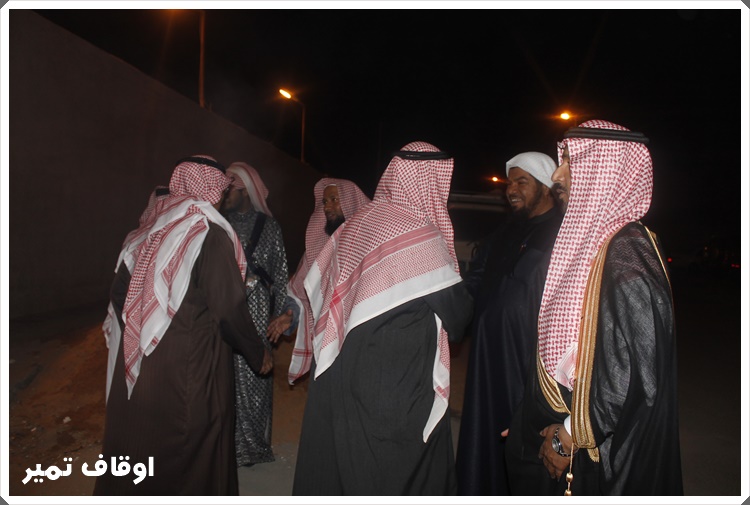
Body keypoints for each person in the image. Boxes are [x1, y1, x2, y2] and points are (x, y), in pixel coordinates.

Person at [505, 120, 683, 495]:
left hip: (590, 451)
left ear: (608, 170)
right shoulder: (595, 240)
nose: (558, 175)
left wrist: (567, 437)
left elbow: (632, 374)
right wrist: (527, 419)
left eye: (570, 162)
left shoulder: (628, 251)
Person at [292, 141, 474, 495]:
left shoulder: (357, 223)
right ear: (429, 182)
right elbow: (458, 316)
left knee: (346, 463)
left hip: (343, 366)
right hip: (391, 381)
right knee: (390, 470)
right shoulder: (420, 237)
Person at [96, 156, 272, 495]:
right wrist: (257, 352)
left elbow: (118, 294)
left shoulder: (148, 229)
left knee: (138, 444)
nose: (222, 197)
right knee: (190, 452)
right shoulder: (209, 234)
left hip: (142, 359)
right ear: (211, 190)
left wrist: (147, 324)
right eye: (221, 190)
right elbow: (228, 309)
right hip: (190, 368)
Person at [455, 152, 562, 495]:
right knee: (487, 433)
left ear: (545, 187)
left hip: (528, 362)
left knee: (524, 445)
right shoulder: (505, 231)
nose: (511, 190)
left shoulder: (561, 233)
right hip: (489, 358)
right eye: (509, 183)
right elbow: (477, 280)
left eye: (521, 182)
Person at [266, 178, 370, 385]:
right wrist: (291, 315)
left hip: (361, 346)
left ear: (350, 201)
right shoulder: (319, 248)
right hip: (324, 344)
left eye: (334, 200)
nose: (327, 207)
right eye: (324, 202)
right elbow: (301, 291)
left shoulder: (370, 246)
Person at [222, 161, 290, 467]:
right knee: (227, 378)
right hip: (229, 309)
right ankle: (230, 446)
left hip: (260, 312)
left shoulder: (270, 228)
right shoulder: (220, 224)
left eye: (231, 190)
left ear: (246, 191)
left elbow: (281, 275)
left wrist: (278, 316)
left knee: (256, 376)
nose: (225, 195)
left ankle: (255, 447)